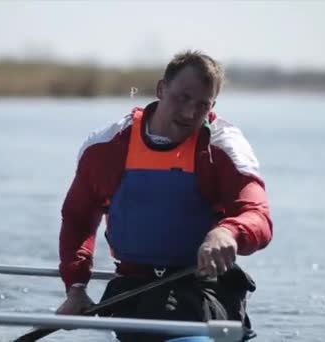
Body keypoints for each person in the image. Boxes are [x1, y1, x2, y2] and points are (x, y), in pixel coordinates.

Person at [55, 50, 273, 342]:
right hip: (133, 290)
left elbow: (258, 215)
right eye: (182, 98)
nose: (189, 113)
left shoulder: (223, 147)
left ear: (213, 106)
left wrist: (229, 231)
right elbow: (79, 220)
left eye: (202, 105)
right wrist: (76, 288)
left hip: (205, 289)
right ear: (161, 89)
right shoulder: (106, 148)